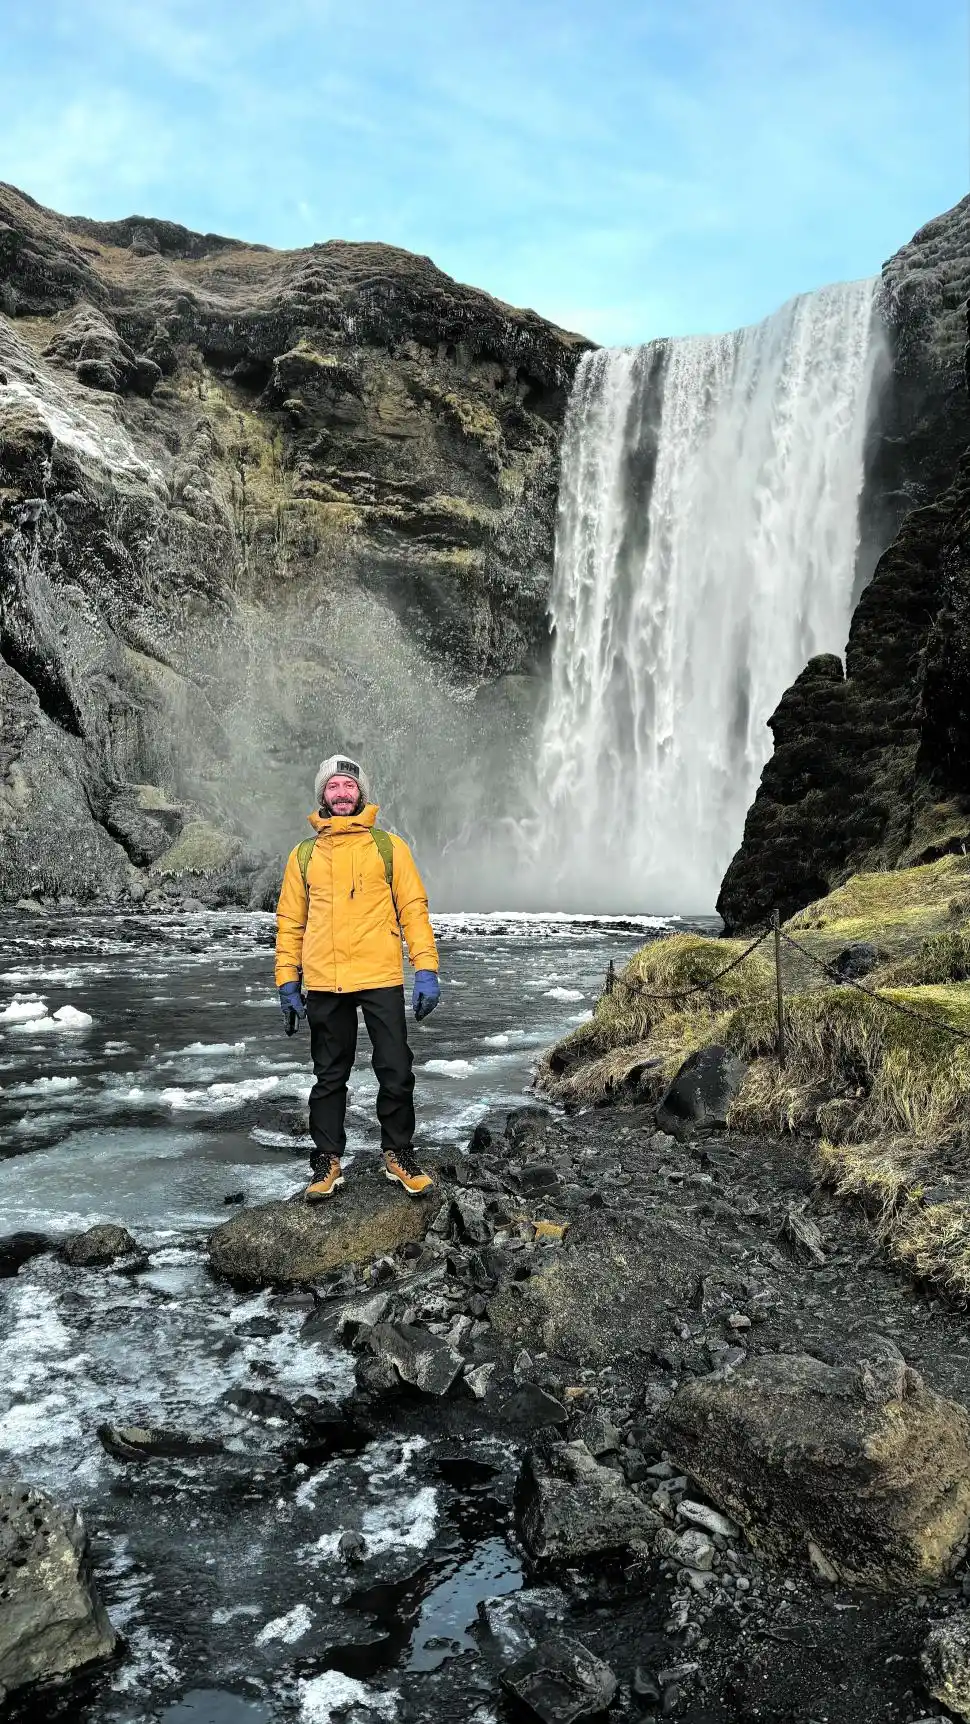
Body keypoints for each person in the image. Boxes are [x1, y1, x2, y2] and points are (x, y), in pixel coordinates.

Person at [275, 753, 441, 1202]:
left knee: (396, 1067)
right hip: (325, 980)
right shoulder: (304, 855)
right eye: (333, 787)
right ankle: (327, 1160)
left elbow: (413, 909)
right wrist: (287, 980)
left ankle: (398, 1154)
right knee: (329, 1076)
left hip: (379, 973)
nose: (342, 793)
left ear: (361, 793)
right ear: (322, 796)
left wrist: (426, 967)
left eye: (349, 786)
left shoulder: (389, 848)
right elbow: (291, 921)